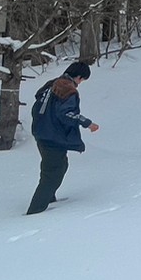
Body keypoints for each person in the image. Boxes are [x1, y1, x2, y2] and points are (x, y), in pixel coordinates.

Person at [25, 60, 100, 215]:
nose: (81, 83)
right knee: (53, 172)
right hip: (52, 137)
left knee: (58, 166)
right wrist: (87, 123)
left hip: (41, 132)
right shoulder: (67, 89)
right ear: (79, 77)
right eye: (82, 80)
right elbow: (66, 113)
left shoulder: (51, 85)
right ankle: (36, 210)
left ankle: (49, 198)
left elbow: (38, 105)